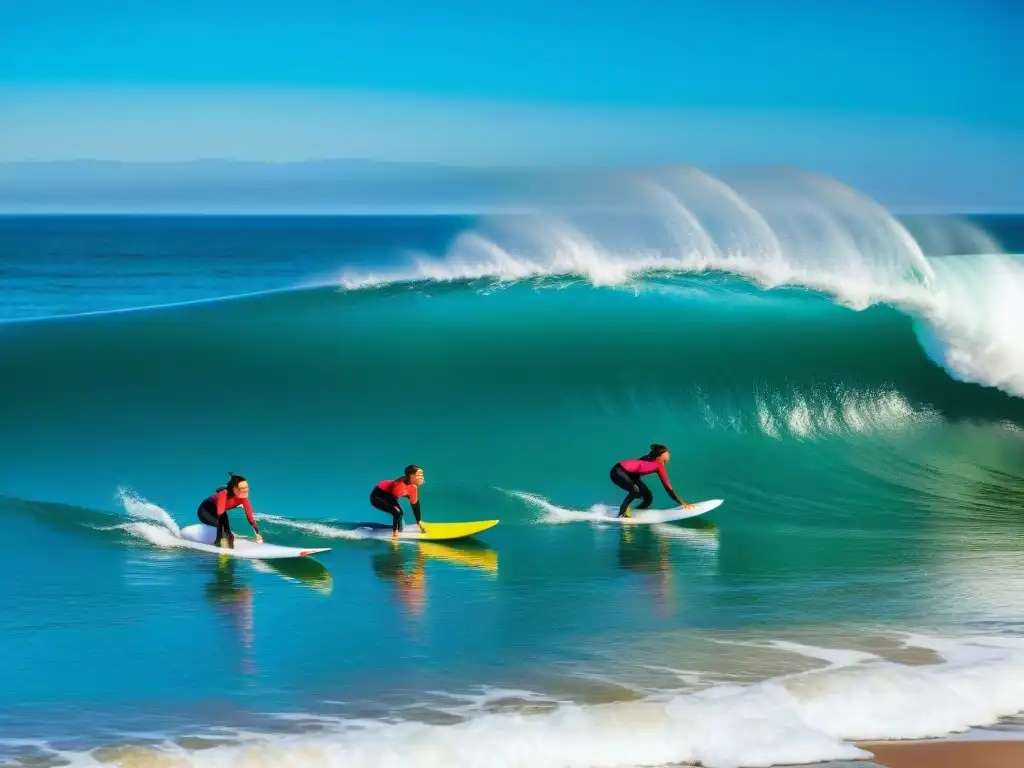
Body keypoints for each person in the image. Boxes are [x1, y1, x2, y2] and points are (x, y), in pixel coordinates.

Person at [609, 444, 692, 518]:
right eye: (666, 455)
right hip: (618, 471)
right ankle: (622, 513)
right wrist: (682, 502)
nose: (669, 455)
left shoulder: (653, 461)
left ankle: (636, 511)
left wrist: (681, 502)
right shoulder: (656, 465)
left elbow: (668, 487)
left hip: (630, 476)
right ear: (659, 456)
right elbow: (668, 488)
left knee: (648, 498)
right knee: (635, 491)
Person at [196, 472, 263, 548]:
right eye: (243, 488)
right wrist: (224, 537)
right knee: (224, 531)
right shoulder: (223, 494)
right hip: (205, 511)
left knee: (230, 536)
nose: (246, 490)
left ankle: (225, 546)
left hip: (220, 512)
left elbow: (250, 518)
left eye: (247, 488)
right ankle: (219, 544)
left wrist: (258, 534)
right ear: (234, 488)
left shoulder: (244, 499)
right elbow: (220, 512)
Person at [370, 465, 427, 536]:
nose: (421, 477)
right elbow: (391, 499)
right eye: (418, 475)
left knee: (399, 514)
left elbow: (415, 505)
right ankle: (395, 532)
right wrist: (395, 533)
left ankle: (399, 529)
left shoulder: (413, 488)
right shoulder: (399, 484)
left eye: (421, 475)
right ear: (412, 475)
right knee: (398, 513)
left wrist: (419, 522)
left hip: (391, 494)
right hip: (377, 497)